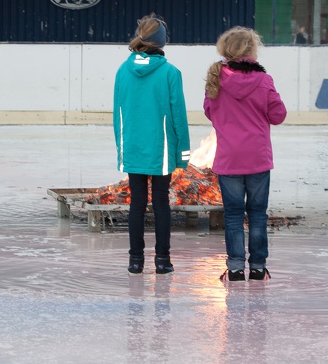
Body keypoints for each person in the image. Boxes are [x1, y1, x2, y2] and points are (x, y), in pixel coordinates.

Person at [203, 27, 287, 282]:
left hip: (229, 158)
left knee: (233, 215)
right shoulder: (264, 80)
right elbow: (278, 115)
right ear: (251, 51)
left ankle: (236, 267)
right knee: (258, 214)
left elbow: (210, 112)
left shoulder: (217, 78)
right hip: (257, 158)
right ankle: (258, 267)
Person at [113, 14, 191, 275]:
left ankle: (135, 261)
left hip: (134, 146)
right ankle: (162, 261)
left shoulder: (123, 71)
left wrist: (121, 150)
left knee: (137, 203)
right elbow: (179, 116)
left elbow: (118, 114)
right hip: (162, 150)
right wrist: (182, 155)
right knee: (160, 203)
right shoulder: (170, 72)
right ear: (161, 43)